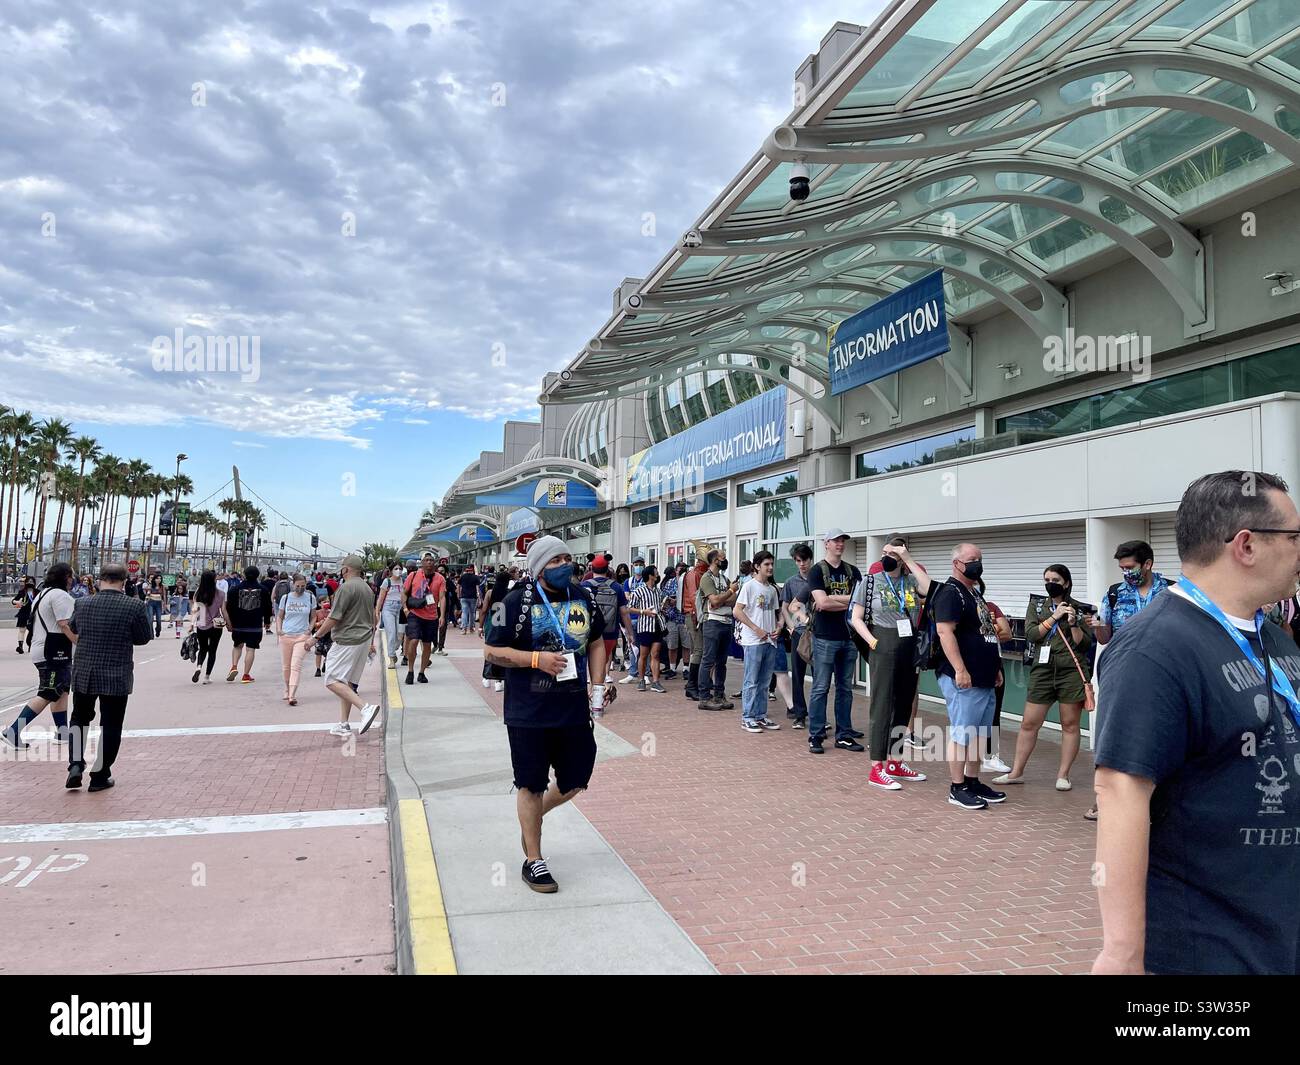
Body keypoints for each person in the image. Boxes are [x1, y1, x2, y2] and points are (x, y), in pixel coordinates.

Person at [1093, 470, 1300, 975]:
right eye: (1294, 538)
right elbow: (1120, 791)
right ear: (1246, 546)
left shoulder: (1274, 637)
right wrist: (1122, 953)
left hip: (1277, 927)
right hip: (1207, 947)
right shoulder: (1155, 648)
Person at [484, 535, 610, 894]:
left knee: (576, 778)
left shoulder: (583, 596)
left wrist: (597, 685)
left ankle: (532, 821)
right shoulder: (511, 601)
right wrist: (534, 659)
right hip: (528, 712)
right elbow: (491, 650)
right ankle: (534, 859)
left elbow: (597, 641)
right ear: (539, 568)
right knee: (531, 783)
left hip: (572, 708)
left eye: (567, 559)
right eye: (555, 561)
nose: (563, 566)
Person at [1085, 539, 1175, 818]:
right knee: (1116, 733)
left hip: (1163, 673)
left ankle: (1161, 800)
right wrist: (1098, 628)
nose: (1126, 572)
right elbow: (1105, 637)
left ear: (1147, 564)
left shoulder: (1173, 591)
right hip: (1122, 673)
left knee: (1161, 734)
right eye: (1122, 568)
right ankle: (1106, 799)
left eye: (1130, 567)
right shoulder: (1114, 594)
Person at [995, 565, 1092, 790]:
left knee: (1069, 724)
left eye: (1055, 579)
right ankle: (1016, 772)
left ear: (1066, 582)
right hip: (1043, 670)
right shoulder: (1037, 606)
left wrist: (1074, 623)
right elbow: (1031, 635)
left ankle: (1063, 775)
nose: (1050, 583)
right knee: (1029, 722)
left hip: (1071, 672)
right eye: (1047, 579)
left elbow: (1085, 644)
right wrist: (1053, 617)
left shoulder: (1078, 608)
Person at [849, 537, 930, 790]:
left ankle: (895, 761)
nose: (886, 557)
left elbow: (929, 589)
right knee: (882, 704)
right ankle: (877, 767)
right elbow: (856, 617)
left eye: (892, 553)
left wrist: (906, 558)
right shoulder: (870, 581)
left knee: (904, 705)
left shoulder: (910, 580)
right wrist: (872, 642)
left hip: (908, 645)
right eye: (884, 552)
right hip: (883, 642)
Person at [64, 561, 152, 792]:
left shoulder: (82, 603)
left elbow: (74, 628)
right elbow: (143, 638)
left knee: (79, 719)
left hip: (84, 671)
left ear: (99, 579)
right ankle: (100, 774)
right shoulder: (134, 606)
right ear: (124, 582)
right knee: (111, 725)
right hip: (116, 673)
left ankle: (75, 764)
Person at [933, 544, 1006, 811]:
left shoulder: (973, 593)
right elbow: (945, 632)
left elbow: (985, 633)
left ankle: (973, 781)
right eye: (971, 560)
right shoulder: (950, 593)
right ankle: (957, 786)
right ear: (956, 563)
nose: (977, 564)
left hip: (985, 677)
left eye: (980, 559)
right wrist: (960, 670)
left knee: (980, 735)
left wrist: (995, 668)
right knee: (963, 733)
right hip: (964, 679)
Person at [2, 562, 76, 750]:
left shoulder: (43, 593)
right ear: (66, 577)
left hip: (43, 648)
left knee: (62, 690)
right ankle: (13, 730)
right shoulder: (61, 596)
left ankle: (62, 732)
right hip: (53, 652)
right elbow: (64, 624)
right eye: (71, 575)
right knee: (48, 691)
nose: (72, 579)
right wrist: (78, 641)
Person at [806, 529, 865, 754]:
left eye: (842, 541)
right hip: (824, 638)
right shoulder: (817, 571)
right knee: (820, 687)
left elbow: (863, 603)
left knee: (845, 689)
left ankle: (844, 734)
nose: (840, 544)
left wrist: (834, 599)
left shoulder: (853, 571)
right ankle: (816, 735)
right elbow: (821, 603)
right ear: (826, 544)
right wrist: (849, 602)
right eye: (836, 540)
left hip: (849, 637)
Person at [310, 555, 380, 738]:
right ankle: (343, 723)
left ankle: (365, 708)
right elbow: (374, 618)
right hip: (363, 639)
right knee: (347, 683)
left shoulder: (346, 588)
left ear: (346, 569)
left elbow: (334, 617)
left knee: (331, 679)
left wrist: (315, 637)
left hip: (347, 640)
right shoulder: (367, 589)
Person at [733, 551, 783, 734]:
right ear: (757, 566)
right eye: (766, 564)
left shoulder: (772, 589)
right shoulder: (749, 586)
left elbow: (778, 613)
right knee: (751, 680)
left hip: (770, 641)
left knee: (764, 681)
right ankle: (747, 717)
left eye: (771, 564)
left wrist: (779, 626)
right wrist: (756, 629)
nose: (770, 568)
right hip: (753, 641)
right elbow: (737, 612)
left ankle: (760, 715)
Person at [581, 555, 632, 686]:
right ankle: (597, 697)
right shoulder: (616, 587)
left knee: (588, 662)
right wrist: (629, 633)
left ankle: (589, 694)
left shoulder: (584, 586)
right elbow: (624, 612)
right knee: (601, 664)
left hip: (587, 633)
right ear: (607, 569)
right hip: (610, 632)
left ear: (592, 568)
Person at [697, 550, 737, 711]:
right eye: (723, 558)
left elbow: (733, 602)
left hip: (726, 622)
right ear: (715, 560)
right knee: (708, 660)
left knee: (722, 662)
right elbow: (713, 601)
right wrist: (730, 592)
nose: (725, 560)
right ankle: (704, 697)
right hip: (712, 622)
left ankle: (719, 694)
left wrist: (723, 599)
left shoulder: (724, 578)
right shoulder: (707, 578)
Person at [782, 545, 814, 727]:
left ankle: (819, 716)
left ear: (810, 559)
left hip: (817, 633)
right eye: (798, 561)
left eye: (805, 560)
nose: (802, 564)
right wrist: (791, 626)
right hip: (799, 633)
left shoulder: (819, 578)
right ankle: (799, 714)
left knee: (820, 676)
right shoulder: (791, 582)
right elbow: (785, 607)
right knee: (798, 673)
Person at [403, 555, 446, 685]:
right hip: (415, 613)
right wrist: (405, 609)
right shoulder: (414, 575)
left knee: (427, 644)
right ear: (421, 563)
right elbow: (404, 592)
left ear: (435, 563)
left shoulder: (440, 578)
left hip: (431, 616)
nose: (429, 562)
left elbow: (442, 597)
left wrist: (442, 615)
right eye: (426, 560)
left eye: (431, 560)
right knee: (414, 640)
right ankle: (410, 671)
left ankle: (421, 673)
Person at [224, 565, 269, 683]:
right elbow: (267, 607)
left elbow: (229, 607)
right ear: (257, 575)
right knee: (251, 649)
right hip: (255, 624)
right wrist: (267, 621)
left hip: (238, 624)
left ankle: (234, 666)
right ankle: (246, 675)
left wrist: (230, 622)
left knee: (237, 646)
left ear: (244, 574)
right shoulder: (263, 590)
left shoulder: (234, 589)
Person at [276, 573, 316, 705]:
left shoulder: (310, 597)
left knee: (296, 666)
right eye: (298, 586)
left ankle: (292, 695)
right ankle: (287, 689)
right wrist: (279, 629)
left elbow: (313, 616)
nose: (300, 588)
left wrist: (309, 629)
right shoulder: (286, 598)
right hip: (286, 635)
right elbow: (280, 616)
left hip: (302, 636)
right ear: (293, 585)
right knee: (286, 667)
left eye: (303, 586)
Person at [628, 565, 667, 693]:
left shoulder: (658, 591)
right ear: (650, 575)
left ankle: (655, 681)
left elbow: (660, 604)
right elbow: (629, 608)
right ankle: (641, 679)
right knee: (643, 654)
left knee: (655, 654)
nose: (657, 575)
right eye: (656, 572)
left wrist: (665, 605)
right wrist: (643, 611)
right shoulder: (639, 591)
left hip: (657, 625)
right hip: (645, 625)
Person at [681, 553, 709, 701]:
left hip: (697, 614)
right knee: (699, 649)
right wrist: (698, 616)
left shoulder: (702, 574)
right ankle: (692, 685)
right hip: (694, 615)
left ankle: (695, 684)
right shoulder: (694, 574)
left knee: (700, 650)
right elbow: (694, 596)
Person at [190, 570, 225, 684]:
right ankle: (207, 676)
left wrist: (191, 624)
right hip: (216, 625)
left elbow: (195, 610)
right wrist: (229, 624)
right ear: (213, 580)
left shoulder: (198, 593)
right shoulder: (220, 593)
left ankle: (199, 667)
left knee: (203, 648)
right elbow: (223, 610)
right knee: (212, 651)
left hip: (202, 625)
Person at [659, 564, 688, 680]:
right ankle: (672, 668)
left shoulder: (688, 582)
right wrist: (670, 601)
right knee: (672, 645)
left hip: (685, 618)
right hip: (671, 618)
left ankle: (686, 668)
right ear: (675, 571)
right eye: (679, 570)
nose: (681, 572)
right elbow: (663, 597)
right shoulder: (670, 582)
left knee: (687, 644)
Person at [375, 564, 405, 668]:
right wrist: (377, 611)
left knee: (400, 634)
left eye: (400, 569)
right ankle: (391, 658)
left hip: (401, 609)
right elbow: (381, 597)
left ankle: (394, 649)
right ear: (391, 571)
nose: (398, 571)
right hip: (388, 609)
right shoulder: (386, 582)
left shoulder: (404, 581)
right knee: (391, 633)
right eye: (396, 569)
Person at [434, 563, 455, 656]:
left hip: (444, 608)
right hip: (433, 608)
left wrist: (458, 607)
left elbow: (454, 595)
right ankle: (435, 644)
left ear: (446, 572)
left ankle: (440, 647)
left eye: (442, 571)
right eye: (438, 571)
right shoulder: (432, 580)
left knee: (442, 628)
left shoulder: (448, 582)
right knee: (433, 628)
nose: (440, 573)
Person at [12, 578, 36, 654]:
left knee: (33, 631)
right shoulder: (22, 592)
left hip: (33, 614)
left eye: (31, 582)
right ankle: (20, 646)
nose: (30, 583)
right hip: (23, 613)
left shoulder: (37, 592)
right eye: (28, 582)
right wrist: (17, 602)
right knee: (22, 630)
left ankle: (30, 645)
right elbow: (13, 601)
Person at [457, 565, 479, 635]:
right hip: (473, 597)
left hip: (464, 597)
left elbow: (458, 586)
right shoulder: (475, 577)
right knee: (472, 613)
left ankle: (464, 629)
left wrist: (459, 594)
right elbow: (477, 587)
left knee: (464, 613)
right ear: (472, 570)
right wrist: (478, 596)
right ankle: (471, 628)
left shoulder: (463, 576)